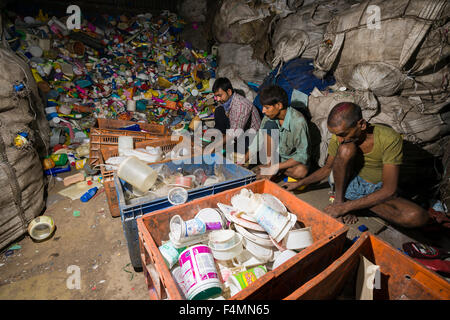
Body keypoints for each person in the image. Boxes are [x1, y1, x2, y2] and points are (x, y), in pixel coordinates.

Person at [282, 102, 429, 228]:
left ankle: (351, 204)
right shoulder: (340, 138)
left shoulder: (389, 138)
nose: (339, 139)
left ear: (362, 124)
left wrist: (345, 208)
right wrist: (300, 183)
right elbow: (327, 169)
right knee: (346, 149)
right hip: (348, 185)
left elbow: (389, 190)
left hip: (377, 190)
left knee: (417, 216)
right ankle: (341, 201)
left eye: (343, 134)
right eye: (336, 135)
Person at [245, 85, 309, 181]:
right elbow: (259, 139)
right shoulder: (269, 117)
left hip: (289, 160)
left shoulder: (298, 122)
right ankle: (270, 167)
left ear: (279, 105)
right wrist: (243, 159)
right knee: (268, 126)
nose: (263, 111)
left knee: (301, 171)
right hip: (276, 158)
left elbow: (302, 155)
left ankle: (273, 169)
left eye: (267, 107)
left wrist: (276, 167)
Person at [212, 77, 261, 153]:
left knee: (232, 150)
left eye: (220, 95)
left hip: (251, 134)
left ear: (229, 92)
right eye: (216, 96)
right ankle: (221, 138)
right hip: (238, 127)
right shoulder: (228, 101)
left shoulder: (241, 106)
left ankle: (224, 144)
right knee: (219, 110)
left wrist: (213, 147)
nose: (217, 99)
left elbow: (234, 133)